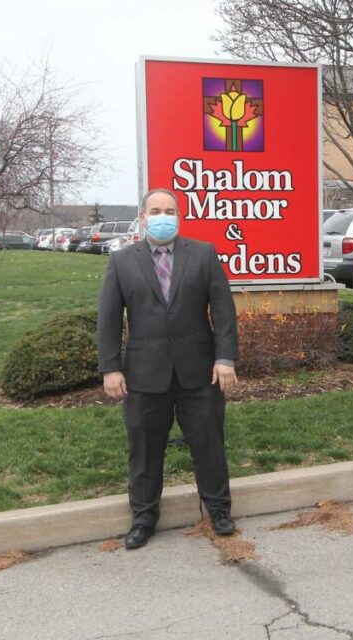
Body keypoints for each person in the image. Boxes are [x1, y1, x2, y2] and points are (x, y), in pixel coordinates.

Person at [97, 188, 239, 550]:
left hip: (200, 371)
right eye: (156, 210)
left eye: (170, 210)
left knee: (208, 443)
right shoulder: (122, 261)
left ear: (179, 215)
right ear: (143, 218)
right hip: (143, 374)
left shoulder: (204, 255)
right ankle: (144, 518)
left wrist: (225, 359)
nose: (164, 216)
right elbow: (109, 319)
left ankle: (219, 510)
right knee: (144, 449)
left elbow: (223, 313)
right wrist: (110, 368)